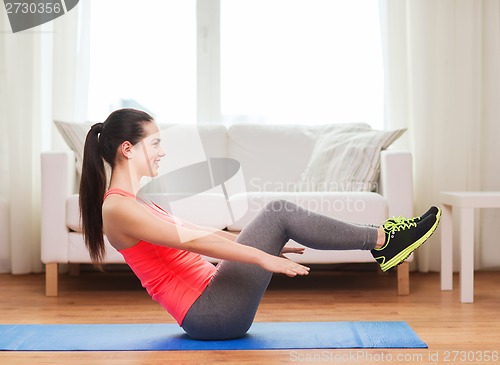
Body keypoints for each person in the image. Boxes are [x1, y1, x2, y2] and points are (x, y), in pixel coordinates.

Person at [79, 108, 440, 340]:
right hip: (210, 313)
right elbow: (192, 242)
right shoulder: (117, 209)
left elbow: (203, 234)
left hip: (213, 297)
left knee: (276, 215)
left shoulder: (135, 203)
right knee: (278, 210)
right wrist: (262, 258)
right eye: (155, 143)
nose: (162, 151)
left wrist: (265, 245)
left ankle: (383, 241)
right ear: (128, 149)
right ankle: (383, 241)